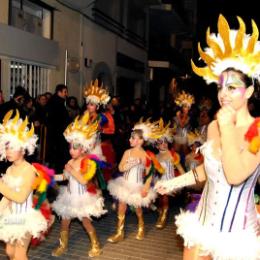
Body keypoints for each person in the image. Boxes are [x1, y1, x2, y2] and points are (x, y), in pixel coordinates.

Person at [155, 14, 260, 260]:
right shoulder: (213, 126)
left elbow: (234, 176)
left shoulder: (257, 132)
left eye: (232, 87)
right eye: (220, 86)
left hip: (237, 238)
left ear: (250, 91)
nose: (223, 94)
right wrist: (173, 183)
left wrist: (227, 129)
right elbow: (208, 171)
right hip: (201, 226)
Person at [52, 111, 107, 258]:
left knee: (86, 222)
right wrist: (50, 176)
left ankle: (96, 245)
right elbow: (64, 176)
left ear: (83, 148)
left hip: (82, 197)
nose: (71, 151)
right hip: (69, 196)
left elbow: (83, 180)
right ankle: (62, 245)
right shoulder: (69, 162)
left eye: (75, 148)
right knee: (64, 222)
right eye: (70, 147)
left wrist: (72, 171)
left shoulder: (88, 162)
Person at [0, 110, 53, 260]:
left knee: (19, 255)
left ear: (23, 149)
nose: (8, 151)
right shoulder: (9, 169)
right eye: (6, 147)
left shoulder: (29, 170)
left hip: (25, 218)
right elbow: (7, 196)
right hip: (11, 217)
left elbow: (20, 197)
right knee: (10, 252)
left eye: (12, 147)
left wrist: (0, 186)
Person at [107, 118, 163, 243]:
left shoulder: (145, 155)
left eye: (133, 138)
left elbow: (150, 173)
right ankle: (119, 232)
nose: (130, 140)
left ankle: (141, 226)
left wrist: (146, 187)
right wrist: (128, 165)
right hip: (124, 183)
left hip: (137, 185)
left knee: (137, 208)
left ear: (141, 141)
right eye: (131, 137)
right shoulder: (127, 152)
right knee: (121, 205)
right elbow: (121, 167)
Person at [153, 119, 185, 229]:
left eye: (165, 142)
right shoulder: (155, 157)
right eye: (160, 143)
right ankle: (160, 210)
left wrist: (185, 179)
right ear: (157, 146)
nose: (164, 144)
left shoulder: (172, 154)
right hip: (158, 180)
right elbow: (153, 172)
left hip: (170, 181)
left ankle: (164, 216)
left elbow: (180, 168)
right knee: (156, 197)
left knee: (164, 194)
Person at [46, 84, 70, 172]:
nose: (66, 94)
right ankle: (58, 174)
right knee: (59, 156)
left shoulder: (57, 101)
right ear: (59, 92)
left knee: (58, 156)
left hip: (58, 133)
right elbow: (58, 119)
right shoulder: (56, 102)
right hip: (57, 134)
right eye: (65, 92)